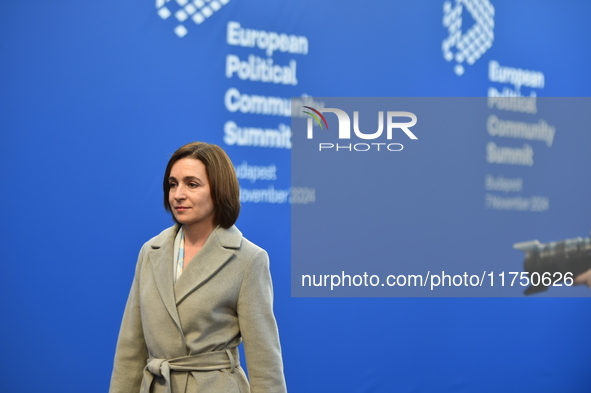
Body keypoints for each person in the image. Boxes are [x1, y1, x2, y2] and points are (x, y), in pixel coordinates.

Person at [109, 142, 287, 393]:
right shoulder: (151, 251)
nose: (178, 194)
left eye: (192, 184)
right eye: (173, 184)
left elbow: (264, 361)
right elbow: (130, 347)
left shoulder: (249, 259)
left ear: (219, 191)